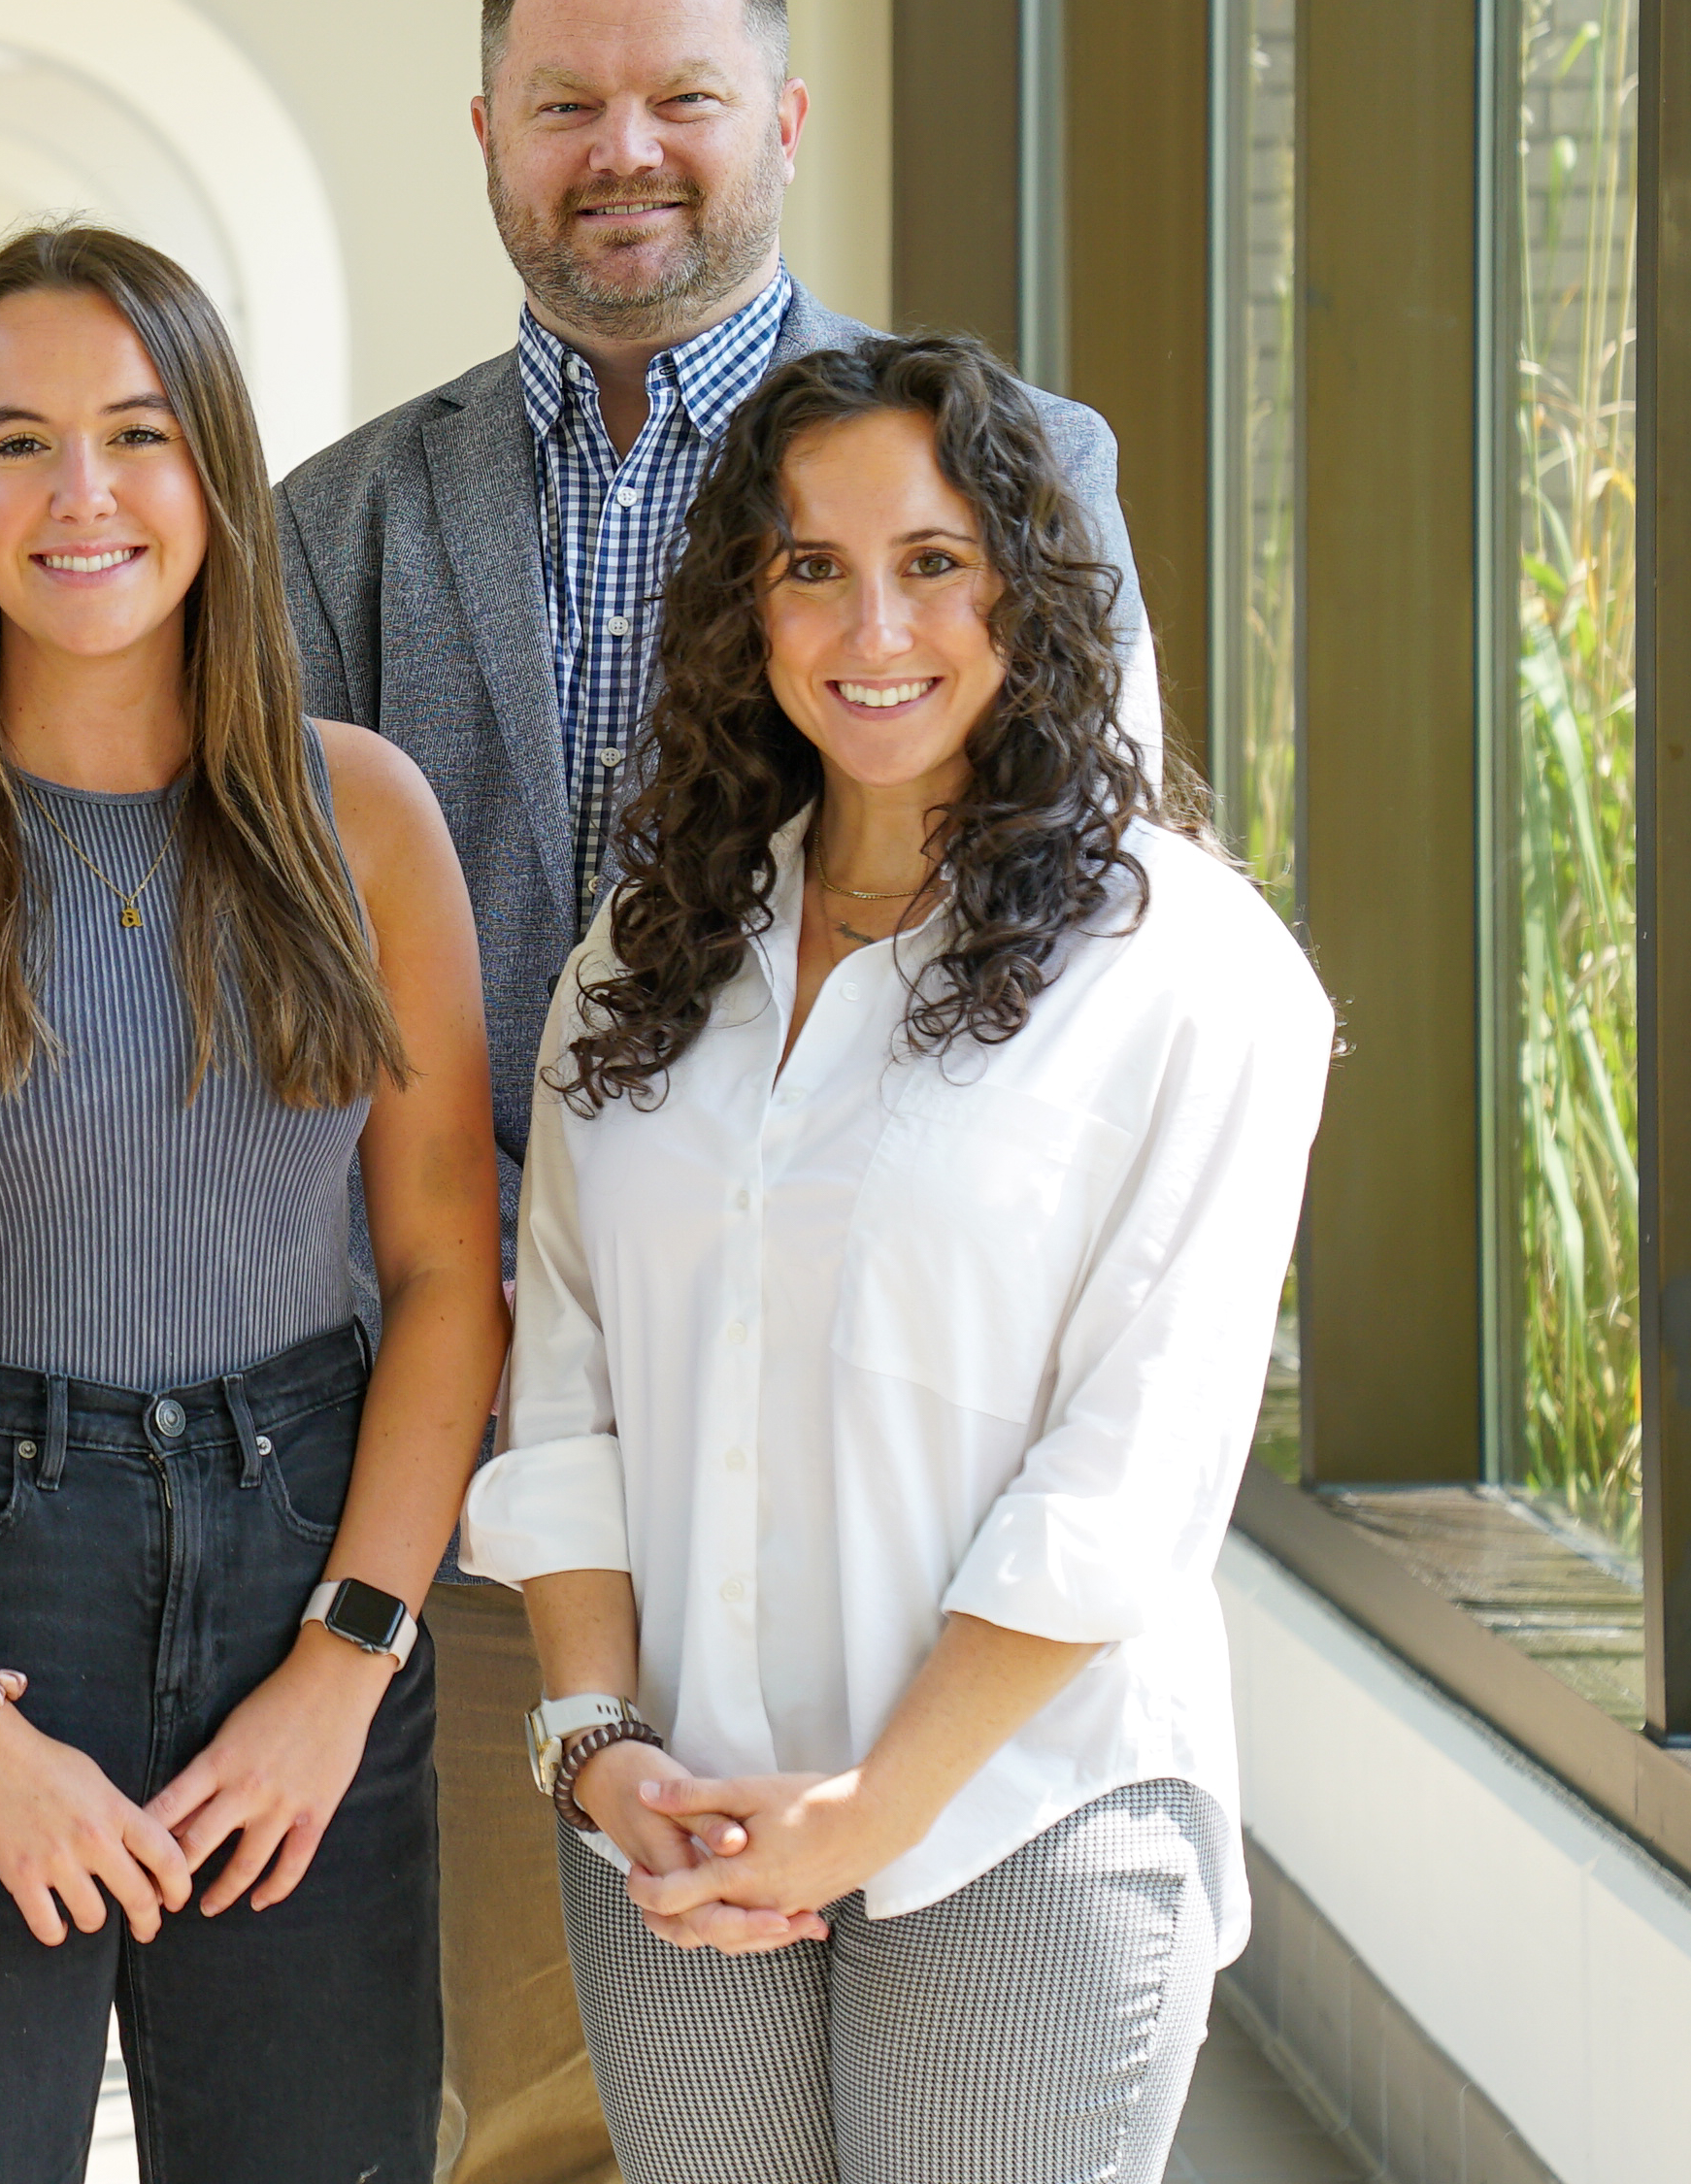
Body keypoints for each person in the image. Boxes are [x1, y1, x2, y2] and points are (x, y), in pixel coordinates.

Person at [273, 0, 1152, 2184]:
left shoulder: (1015, 476)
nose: (621, 148)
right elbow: (282, 993)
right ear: (482, 133)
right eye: (563, 103)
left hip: (910, 1474)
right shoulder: (342, 525)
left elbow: (1095, 955)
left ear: (776, 112)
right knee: (550, 2110)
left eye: (676, 94)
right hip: (514, 1466)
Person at [465, 335, 1332, 2183]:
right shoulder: (646, 950)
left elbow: (1137, 1462)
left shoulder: (1184, 965)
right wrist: (595, 1742)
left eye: (935, 560)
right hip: (673, 1824)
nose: (874, 624)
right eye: (811, 566)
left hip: (1028, 1817)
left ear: (1029, 583)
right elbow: (567, 1385)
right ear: (743, 609)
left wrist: (875, 1810)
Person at [0, 224, 511, 2182]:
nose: (81, 496)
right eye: (13, 442)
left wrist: (346, 1661)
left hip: (303, 1548)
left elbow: (440, 1277)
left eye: (136, 434)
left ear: (217, 474)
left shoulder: (365, 822)